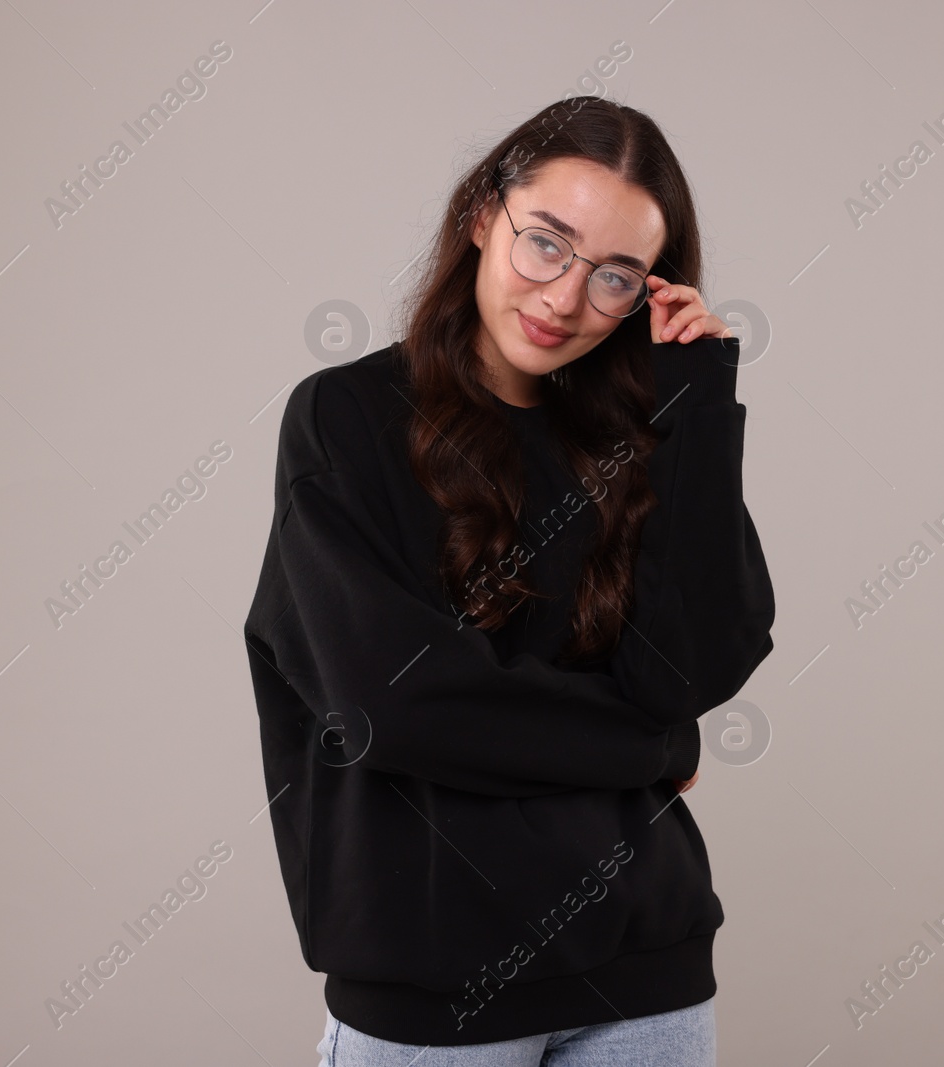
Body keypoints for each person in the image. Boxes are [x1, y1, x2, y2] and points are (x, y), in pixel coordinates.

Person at [243, 95, 775, 1065]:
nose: (566, 299)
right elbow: (397, 704)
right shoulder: (345, 421)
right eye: (546, 243)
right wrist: (652, 741)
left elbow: (703, 658)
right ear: (484, 214)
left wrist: (696, 406)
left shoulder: (627, 438)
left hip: (647, 979)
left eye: (616, 276)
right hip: (434, 991)